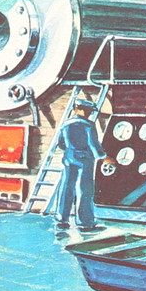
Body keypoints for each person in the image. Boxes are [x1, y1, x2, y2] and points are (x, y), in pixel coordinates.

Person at [55, 98, 108, 234]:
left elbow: (61, 143)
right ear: (82, 110)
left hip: (69, 158)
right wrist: (103, 157)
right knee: (84, 190)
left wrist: (71, 150)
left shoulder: (66, 124)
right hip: (84, 160)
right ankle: (85, 223)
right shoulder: (88, 125)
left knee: (66, 188)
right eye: (89, 111)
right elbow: (93, 144)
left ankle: (62, 220)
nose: (89, 114)